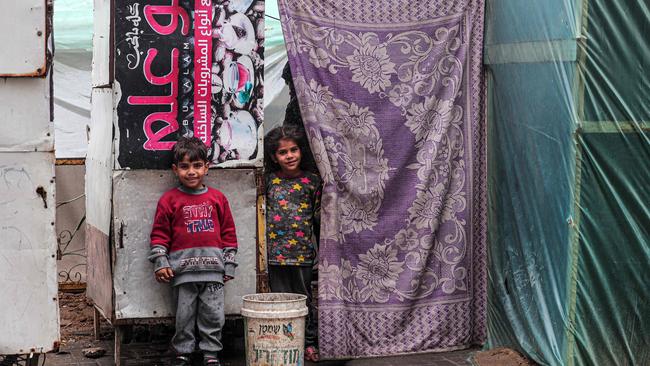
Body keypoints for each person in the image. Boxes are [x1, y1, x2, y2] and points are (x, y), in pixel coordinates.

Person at [148, 137, 238, 366]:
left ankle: (211, 354)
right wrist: (161, 262)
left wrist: (229, 264)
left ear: (206, 167)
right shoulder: (169, 200)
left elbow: (229, 233)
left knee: (214, 316)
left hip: (214, 273)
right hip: (182, 273)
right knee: (184, 317)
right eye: (185, 166)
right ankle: (182, 352)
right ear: (175, 169)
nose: (191, 172)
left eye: (197, 165)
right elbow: (159, 235)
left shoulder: (218, 199)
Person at [264, 125, 322, 362]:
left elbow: (320, 218)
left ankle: (308, 343)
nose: (289, 156)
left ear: (301, 151)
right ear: (274, 157)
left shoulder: (312, 181)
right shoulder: (268, 181)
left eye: (293, 150)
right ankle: (281, 342)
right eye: (283, 152)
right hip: (273, 255)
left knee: (304, 300)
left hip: (302, 254)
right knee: (278, 300)